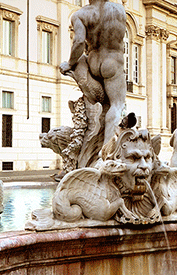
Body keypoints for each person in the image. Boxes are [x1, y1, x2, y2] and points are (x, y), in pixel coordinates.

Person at [60, 0, 128, 168]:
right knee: (116, 105)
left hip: (92, 61)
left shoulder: (80, 15)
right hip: (112, 61)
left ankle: (91, 146)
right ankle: (105, 154)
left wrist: (69, 63)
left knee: (104, 108)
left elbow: (79, 43)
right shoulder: (119, 10)